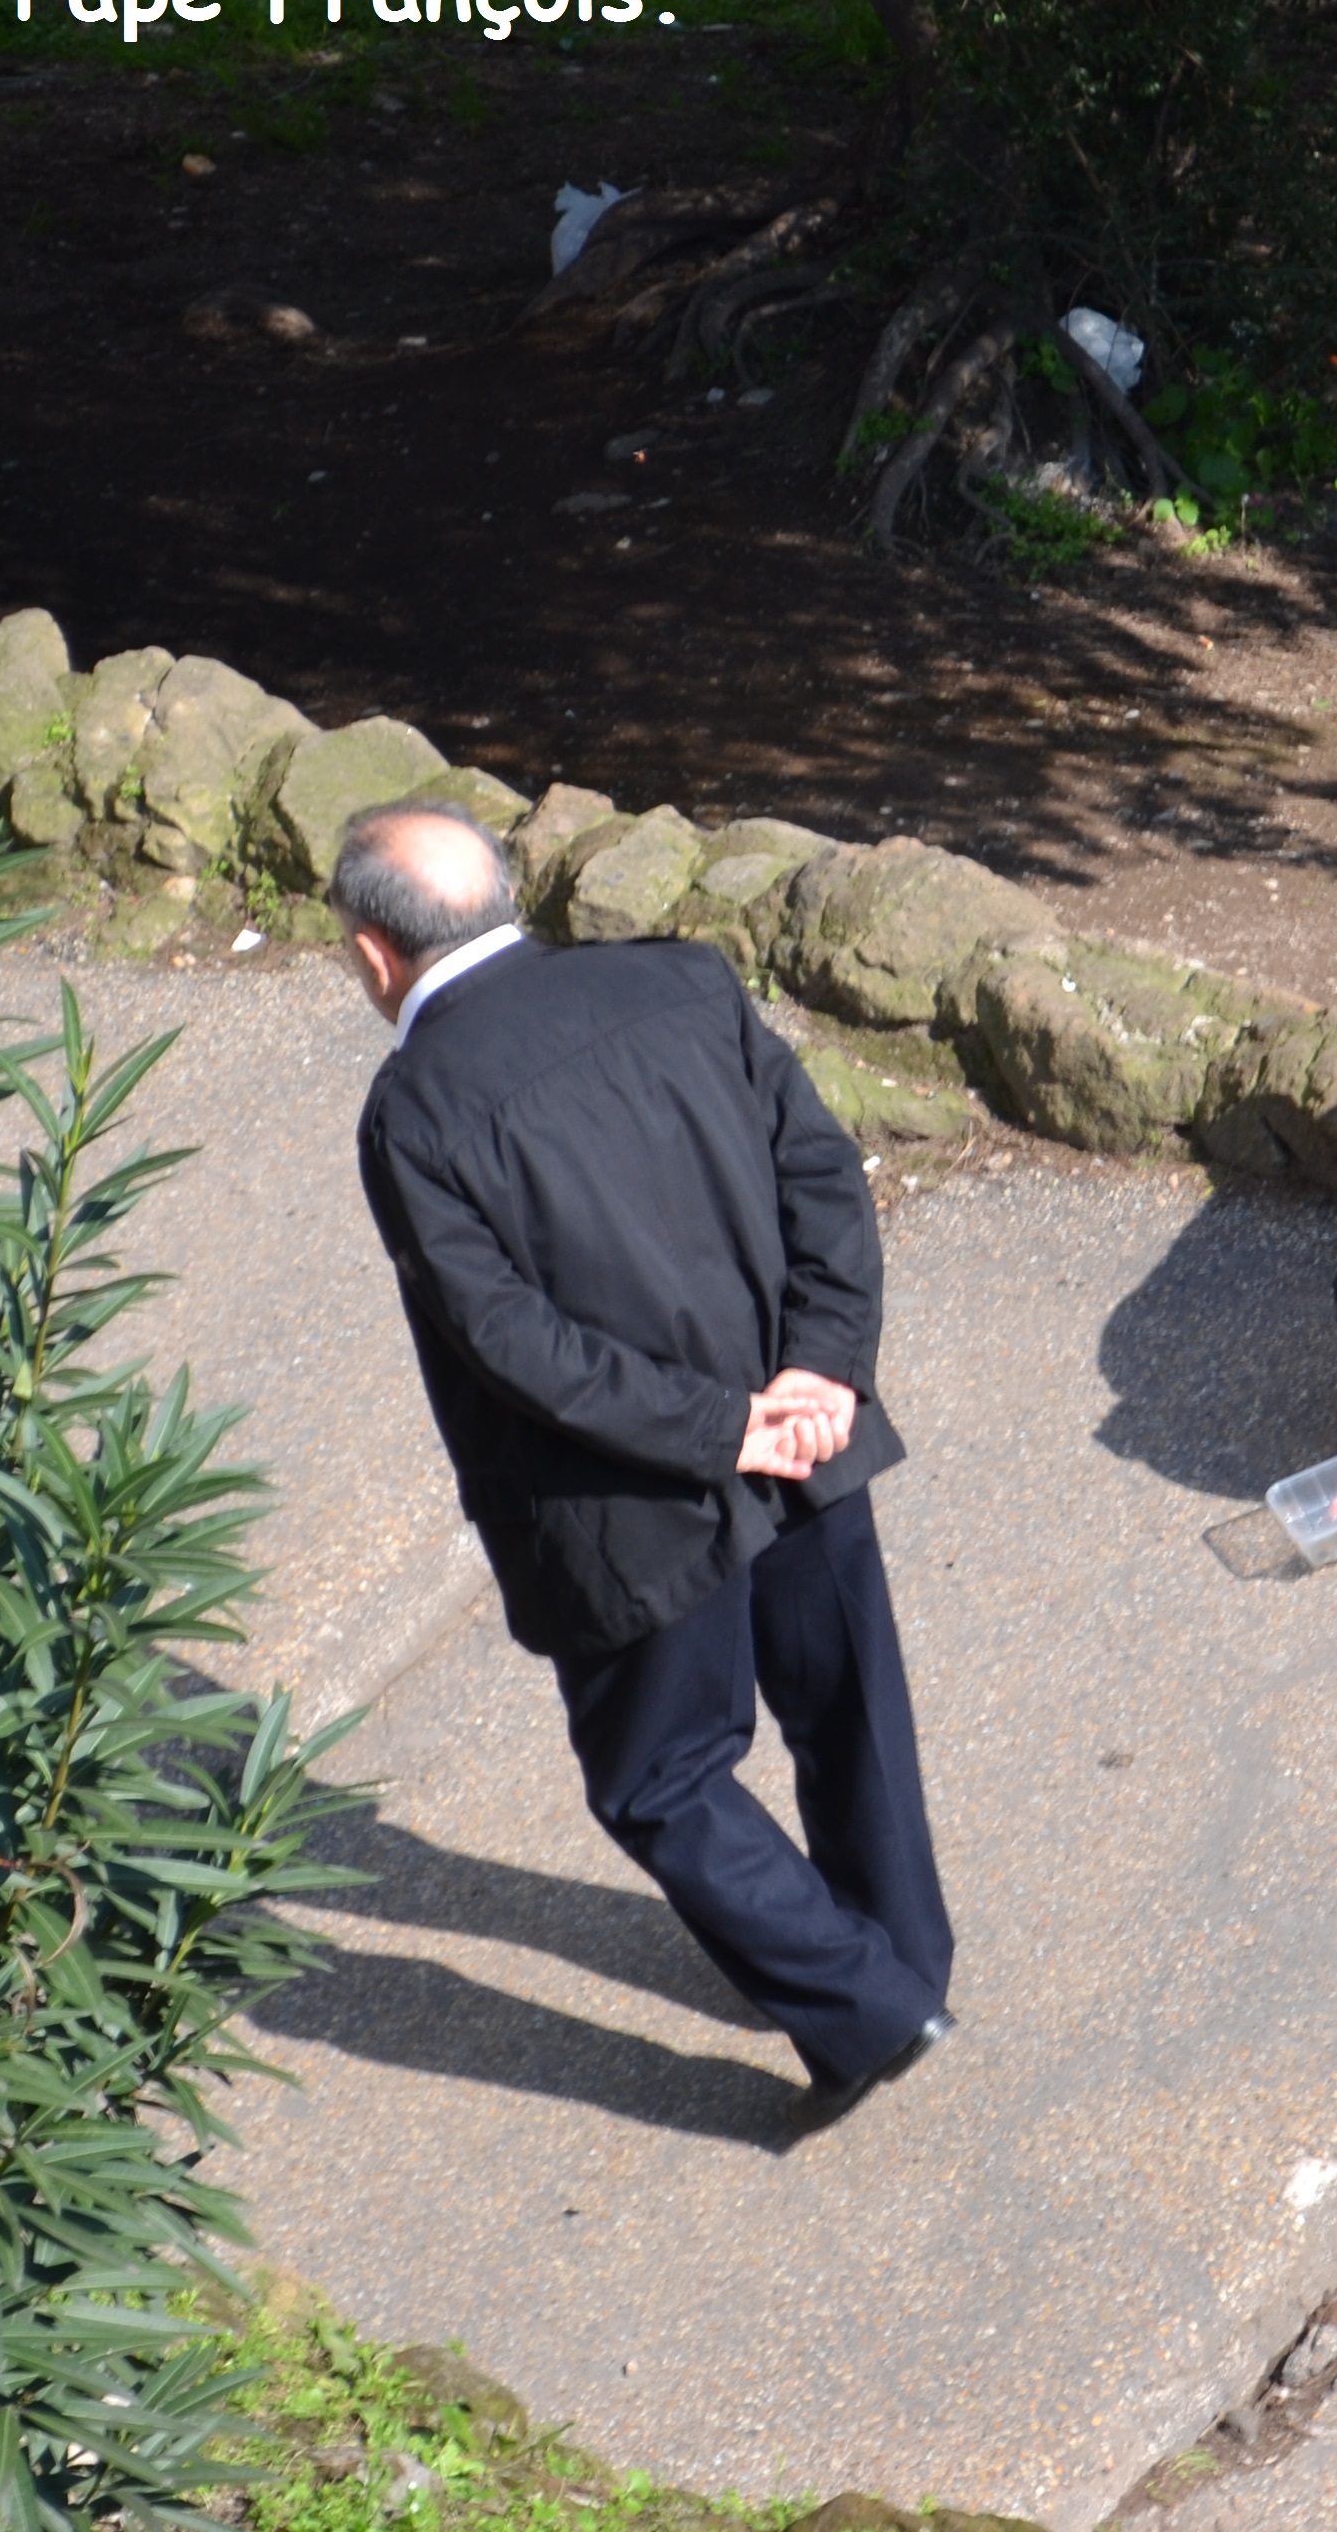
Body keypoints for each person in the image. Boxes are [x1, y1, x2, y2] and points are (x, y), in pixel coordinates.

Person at [327, 800, 951, 2125]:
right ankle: (904, 1954)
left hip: (629, 1507)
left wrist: (725, 1429)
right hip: (810, 1437)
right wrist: (823, 1371)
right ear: (500, 894)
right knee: (848, 1709)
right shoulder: (681, 978)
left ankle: (869, 2004)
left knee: (661, 1776)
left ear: (375, 953)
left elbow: (515, 1348)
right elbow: (823, 1178)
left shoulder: (414, 1114)